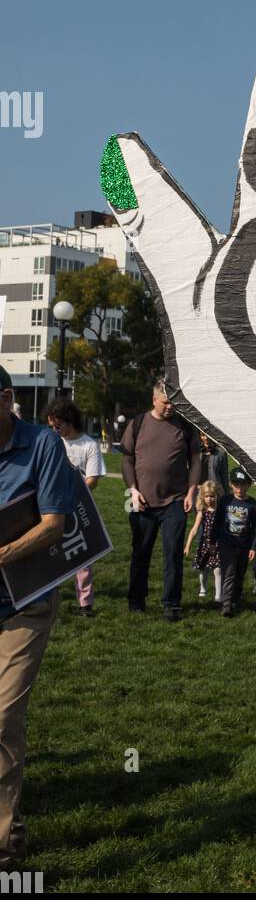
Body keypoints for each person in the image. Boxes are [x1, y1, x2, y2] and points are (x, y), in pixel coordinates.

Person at [0, 364, 75, 868]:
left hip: (22, 604)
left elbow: (54, 524)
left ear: (6, 399)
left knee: (1, 717)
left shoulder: (43, 445)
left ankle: (3, 845)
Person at [120, 381, 201, 622]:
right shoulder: (138, 424)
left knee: (173, 553)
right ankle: (136, 600)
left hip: (175, 501)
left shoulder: (185, 427)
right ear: (154, 400)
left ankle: (171, 604)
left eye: (173, 402)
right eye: (165, 402)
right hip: (142, 502)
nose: (170, 407)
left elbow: (196, 461)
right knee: (140, 552)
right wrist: (133, 491)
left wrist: (191, 492)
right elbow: (126, 461)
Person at [46, 397, 106, 616]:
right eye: (51, 426)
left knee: (82, 558)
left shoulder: (89, 444)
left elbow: (93, 479)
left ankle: (85, 604)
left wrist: (70, 497)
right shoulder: (51, 442)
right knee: (50, 555)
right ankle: (46, 601)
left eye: (57, 425)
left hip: (78, 508)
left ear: (69, 420)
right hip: (50, 509)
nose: (54, 429)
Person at [214, 467, 256, 617]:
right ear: (231, 484)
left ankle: (235, 599)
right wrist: (212, 541)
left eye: (243, 484)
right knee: (229, 572)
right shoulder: (225, 501)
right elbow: (217, 521)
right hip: (226, 543)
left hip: (244, 545)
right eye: (236, 484)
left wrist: (253, 547)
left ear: (249, 484)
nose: (240, 488)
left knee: (240, 573)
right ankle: (226, 603)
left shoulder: (253, 505)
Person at [184, 479, 223, 602]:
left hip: (218, 544)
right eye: (206, 496)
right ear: (202, 497)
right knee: (203, 568)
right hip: (205, 544)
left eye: (212, 496)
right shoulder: (203, 512)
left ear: (217, 495)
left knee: (218, 570)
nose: (209, 499)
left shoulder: (221, 511)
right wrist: (187, 546)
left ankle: (218, 595)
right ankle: (203, 588)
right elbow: (194, 529)